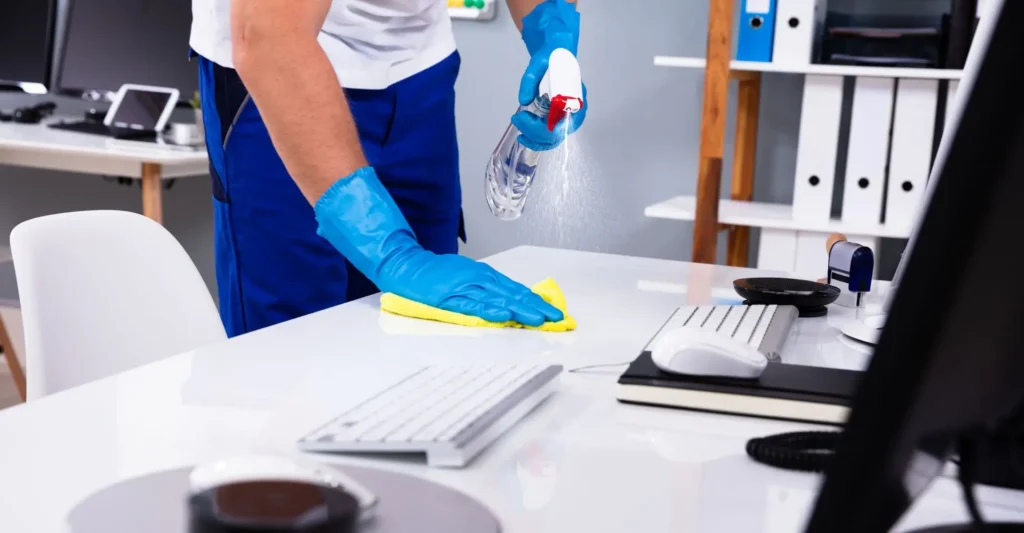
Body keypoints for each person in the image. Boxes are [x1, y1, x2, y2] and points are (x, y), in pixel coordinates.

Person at [189, 0, 587, 337]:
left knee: (427, 332)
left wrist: (552, 31)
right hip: (281, 62)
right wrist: (393, 254)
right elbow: (270, 40)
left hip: (419, 67)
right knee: (293, 343)